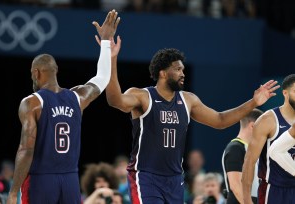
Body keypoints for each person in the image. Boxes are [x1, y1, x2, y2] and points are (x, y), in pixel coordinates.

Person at [103, 38, 280, 203]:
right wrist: (112, 59)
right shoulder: (142, 96)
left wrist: (254, 102)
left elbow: (220, 120)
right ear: (163, 73)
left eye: (183, 70)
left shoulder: (188, 100)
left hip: (175, 179)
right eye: (178, 69)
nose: (183, 74)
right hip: (146, 176)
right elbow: (115, 100)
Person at [6, 9, 120, 204]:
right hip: (70, 181)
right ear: (56, 71)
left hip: (42, 179)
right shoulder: (77, 97)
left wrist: (13, 191)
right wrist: (107, 42)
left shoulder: (32, 103)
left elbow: (26, 150)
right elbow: (102, 78)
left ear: (35, 72)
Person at [241, 74, 295, 204]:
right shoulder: (268, 120)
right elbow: (249, 161)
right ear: (285, 93)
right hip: (274, 190)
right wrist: (247, 200)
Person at [221, 108, 263, 204]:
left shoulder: (252, 149)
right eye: (262, 127)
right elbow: (236, 186)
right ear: (253, 126)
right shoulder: (235, 148)